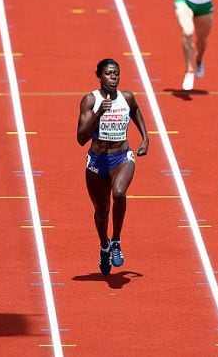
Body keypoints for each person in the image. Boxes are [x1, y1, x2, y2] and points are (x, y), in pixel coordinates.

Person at [77, 59, 149, 276]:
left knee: (119, 193)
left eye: (116, 73)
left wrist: (146, 138)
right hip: (97, 162)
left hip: (122, 158)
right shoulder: (90, 100)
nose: (114, 77)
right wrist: (99, 113)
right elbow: (81, 138)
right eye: (109, 74)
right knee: (101, 212)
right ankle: (104, 246)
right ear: (100, 76)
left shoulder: (127, 97)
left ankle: (116, 240)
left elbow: (135, 111)